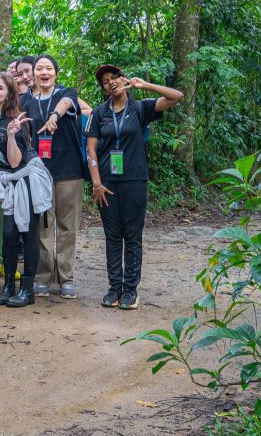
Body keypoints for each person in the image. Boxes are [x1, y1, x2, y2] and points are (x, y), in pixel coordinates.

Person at [87, 65, 183, 310]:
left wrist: (146, 86)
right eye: (106, 81)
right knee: (112, 237)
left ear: (124, 80)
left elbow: (177, 96)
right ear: (104, 88)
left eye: (114, 77)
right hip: (107, 184)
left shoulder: (140, 108)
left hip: (134, 181)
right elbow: (91, 150)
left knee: (132, 236)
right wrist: (96, 183)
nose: (110, 82)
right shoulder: (99, 114)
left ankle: (130, 290)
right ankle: (114, 288)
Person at [0, 72, 53, 307]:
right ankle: (8, 286)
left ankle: (27, 290)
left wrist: (12, 136)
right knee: (9, 236)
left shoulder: (15, 121)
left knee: (27, 234)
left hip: (25, 180)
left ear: (9, 94)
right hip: (6, 180)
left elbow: (15, 162)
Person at [24, 55, 85, 300]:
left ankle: (67, 278)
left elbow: (69, 102)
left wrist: (54, 116)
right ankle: (43, 277)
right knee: (43, 226)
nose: (44, 72)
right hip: (40, 173)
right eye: (40, 68)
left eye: (49, 68)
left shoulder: (65, 93)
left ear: (56, 73)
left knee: (67, 226)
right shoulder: (28, 103)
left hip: (69, 171)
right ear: (34, 74)